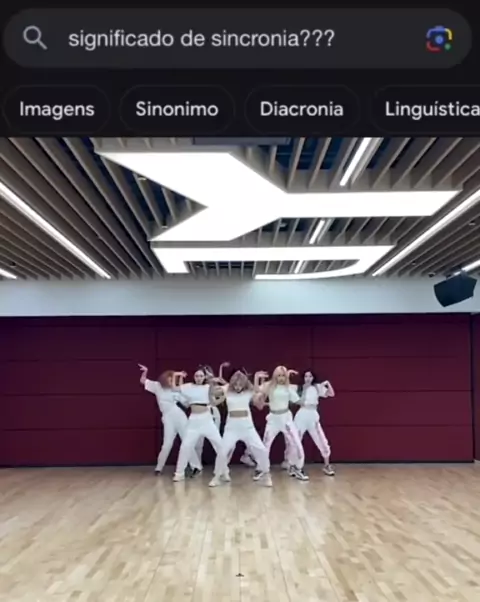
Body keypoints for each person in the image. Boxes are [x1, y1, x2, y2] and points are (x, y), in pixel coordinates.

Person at [138, 364, 202, 475]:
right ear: (165, 378)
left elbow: (185, 401)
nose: (171, 381)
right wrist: (145, 371)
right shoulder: (157, 386)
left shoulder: (174, 389)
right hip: (167, 417)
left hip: (179, 415)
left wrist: (181, 381)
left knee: (186, 441)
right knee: (167, 444)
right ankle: (159, 468)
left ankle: (196, 466)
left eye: (173, 379)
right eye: (170, 378)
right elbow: (143, 381)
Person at [215, 369, 272, 486]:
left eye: (240, 384)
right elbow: (214, 393)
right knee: (222, 451)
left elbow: (259, 392)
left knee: (261, 449)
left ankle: (266, 474)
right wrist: (212, 383)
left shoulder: (248, 392)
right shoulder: (227, 389)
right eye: (235, 384)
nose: (237, 387)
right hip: (231, 428)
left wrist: (256, 378)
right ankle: (218, 475)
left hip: (247, 428)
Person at [173, 369, 228, 486]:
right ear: (194, 377)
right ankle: (179, 473)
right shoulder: (188, 386)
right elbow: (174, 388)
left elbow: (223, 390)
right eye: (196, 375)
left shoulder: (208, 387)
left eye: (201, 376)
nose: (198, 378)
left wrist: (219, 383)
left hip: (207, 419)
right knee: (185, 446)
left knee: (219, 445)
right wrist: (176, 375)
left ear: (204, 377)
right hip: (193, 421)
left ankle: (224, 471)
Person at [257, 366, 309, 481]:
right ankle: (262, 469)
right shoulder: (269, 386)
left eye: (283, 376)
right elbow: (257, 391)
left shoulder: (288, 388)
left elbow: (299, 402)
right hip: (273, 420)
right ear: (275, 376)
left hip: (286, 419)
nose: (281, 378)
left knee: (296, 444)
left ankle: (297, 468)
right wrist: (257, 378)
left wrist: (305, 390)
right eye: (279, 376)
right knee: (265, 445)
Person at [283, 370, 335, 476]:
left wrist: (327, 383)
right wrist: (287, 374)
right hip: (301, 415)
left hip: (313, 415)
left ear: (313, 378)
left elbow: (331, 394)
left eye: (310, 376)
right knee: (295, 440)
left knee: (321, 440)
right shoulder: (298, 388)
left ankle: (327, 465)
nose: (308, 378)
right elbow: (285, 387)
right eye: (306, 376)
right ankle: (292, 466)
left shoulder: (317, 387)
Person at [194, 363, 228, 461]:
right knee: (198, 441)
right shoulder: (196, 387)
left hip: (212, 413)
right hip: (199, 414)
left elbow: (227, 388)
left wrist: (218, 380)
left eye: (206, 373)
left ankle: (222, 463)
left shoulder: (214, 386)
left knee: (216, 440)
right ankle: (197, 464)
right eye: (202, 374)